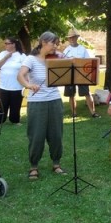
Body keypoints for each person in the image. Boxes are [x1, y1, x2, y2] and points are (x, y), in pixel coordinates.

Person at [17, 31, 66, 180]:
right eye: (53, 43)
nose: (55, 46)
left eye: (57, 44)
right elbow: (20, 75)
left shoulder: (55, 58)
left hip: (55, 100)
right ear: (43, 42)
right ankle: (34, 166)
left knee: (56, 134)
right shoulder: (31, 59)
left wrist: (62, 56)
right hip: (37, 103)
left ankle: (56, 163)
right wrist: (28, 85)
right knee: (36, 135)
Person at [62, 29, 100, 118]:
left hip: (82, 74)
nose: (71, 39)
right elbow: (63, 62)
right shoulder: (66, 50)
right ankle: (74, 113)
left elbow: (88, 61)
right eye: (70, 38)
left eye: (73, 37)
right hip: (70, 74)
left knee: (87, 93)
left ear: (76, 38)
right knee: (71, 94)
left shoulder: (83, 49)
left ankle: (93, 112)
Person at [0, 37, 25, 125]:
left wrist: (27, 81)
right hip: (3, 85)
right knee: (1, 104)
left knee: (16, 104)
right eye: (5, 43)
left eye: (7, 43)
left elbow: (26, 69)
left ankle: (15, 120)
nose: (5, 45)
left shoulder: (21, 55)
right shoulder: (3, 53)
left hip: (17, 85)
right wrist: (6, 57)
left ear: (13, 44)